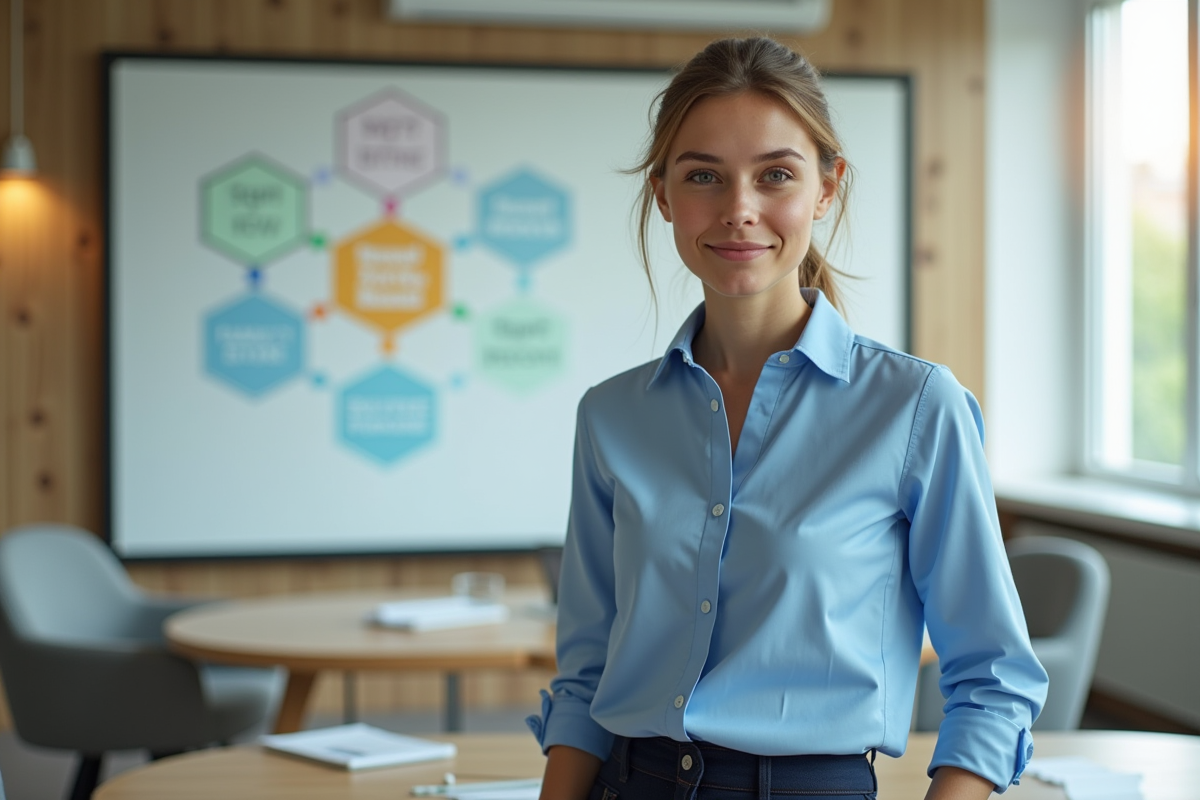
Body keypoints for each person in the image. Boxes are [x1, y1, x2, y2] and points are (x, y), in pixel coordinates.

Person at [526, 36, 1048, 800]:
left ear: (826, 189)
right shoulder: (611, 416)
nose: (739, 209)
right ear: (664, 195)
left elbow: (995, 677)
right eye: (703, 175)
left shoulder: (914, 407)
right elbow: (587, 675)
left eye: (775, 175)